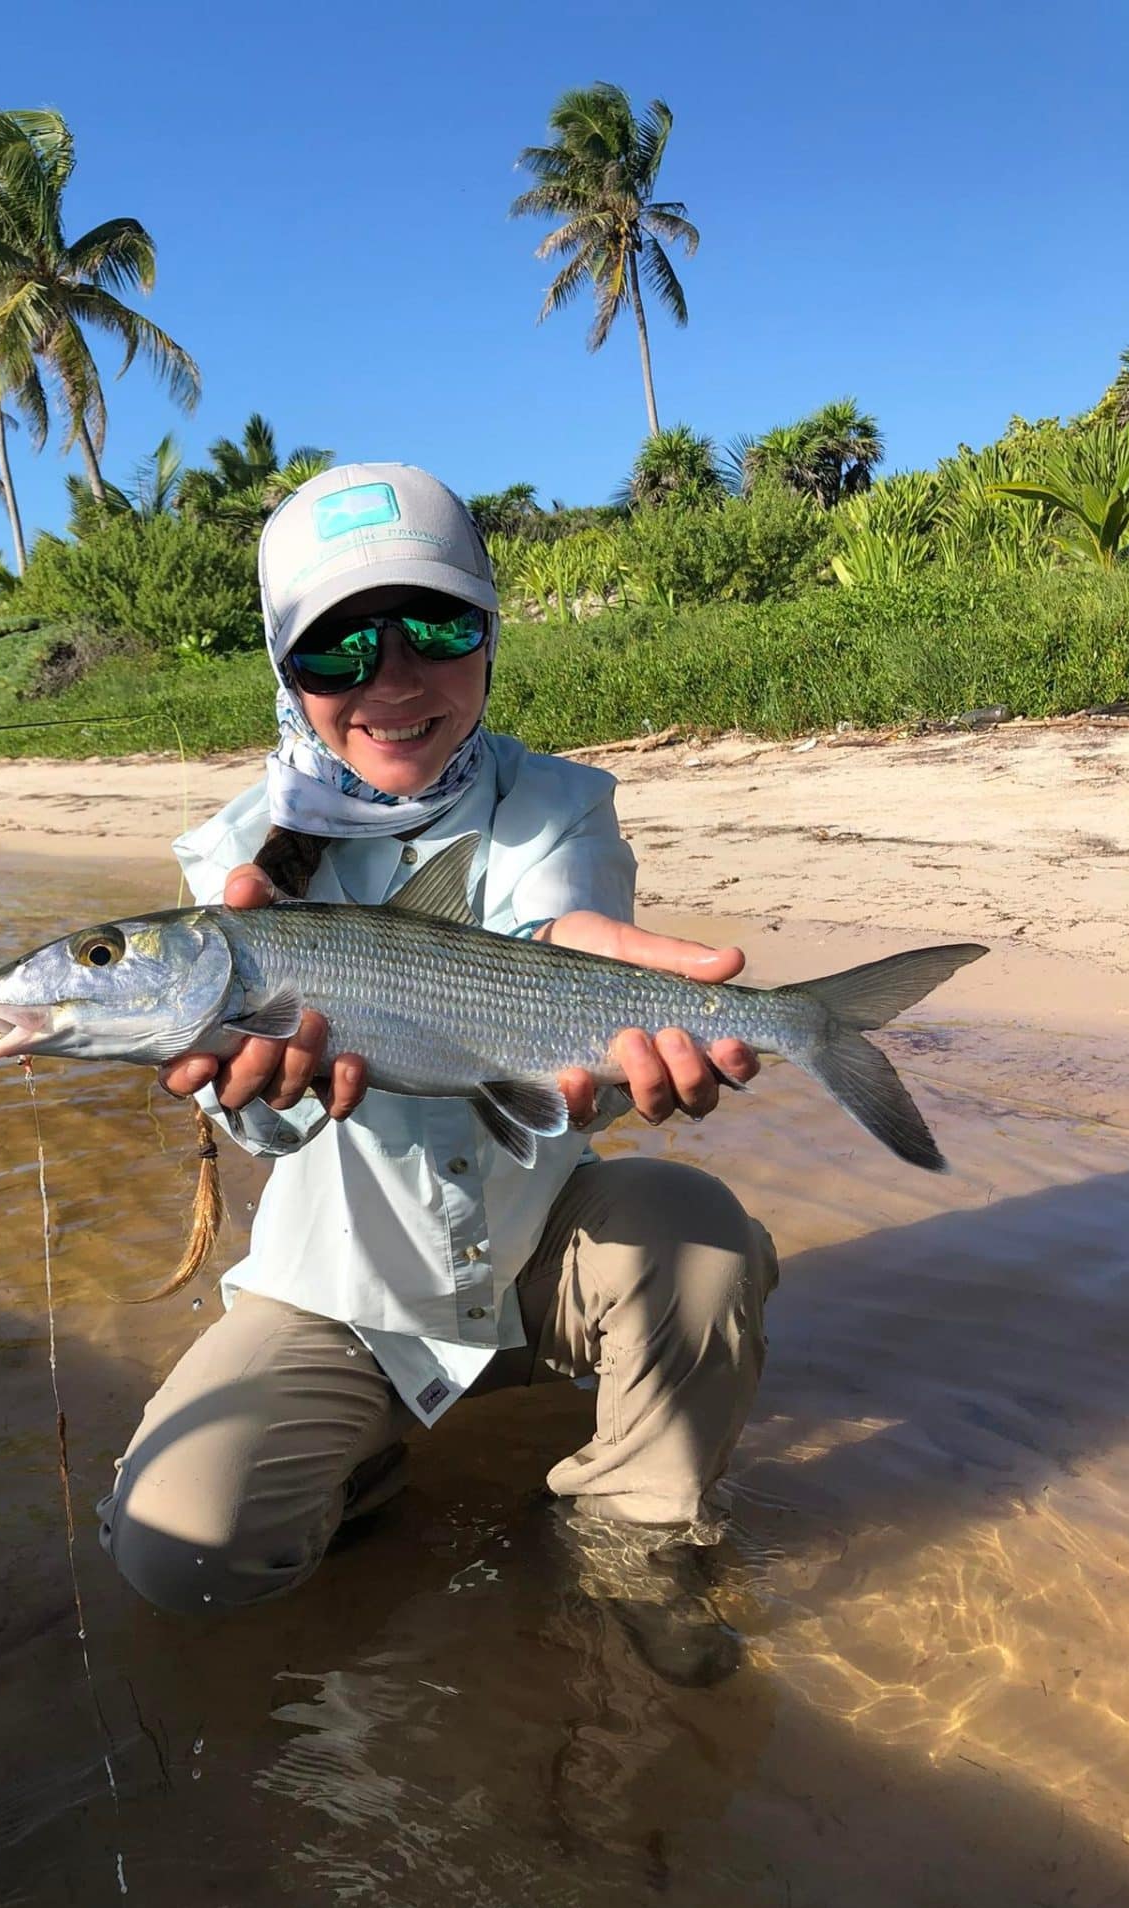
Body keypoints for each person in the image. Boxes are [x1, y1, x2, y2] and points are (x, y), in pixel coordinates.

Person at [96, 463, 777, 1679]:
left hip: (535, 1253)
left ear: (491, 634)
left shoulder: (563, 804)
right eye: (338, 648)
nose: (395, 679)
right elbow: (258, 1128)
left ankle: (634, 1535)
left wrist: (610, 1043)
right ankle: (363, 1461)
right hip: (346, 1286)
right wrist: (263, 1093)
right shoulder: (236, 865)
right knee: (178, 1552)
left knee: (700, 1232)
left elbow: (558, 954)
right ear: (281, 670)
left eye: (438, 625)